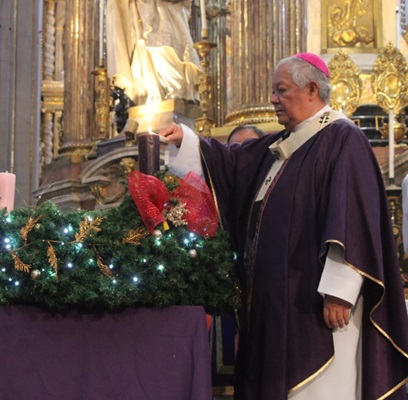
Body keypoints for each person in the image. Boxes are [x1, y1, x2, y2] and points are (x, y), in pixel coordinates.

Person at [160, 53, 408, 399]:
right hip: (274, 306)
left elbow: (352, 217)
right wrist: (186, 141)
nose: (273, 99)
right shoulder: (280, 146)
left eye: (281, 90)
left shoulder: (342, 139)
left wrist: (339, 290)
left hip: (318, 309)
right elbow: (232, 165)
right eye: (273, 91)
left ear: (311, 89)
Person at [106, 0, 201, 105]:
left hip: (167, 16)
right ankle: (157, 94)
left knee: (162, 50)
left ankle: (177, 89)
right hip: (145, 15)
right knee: (146, 55)